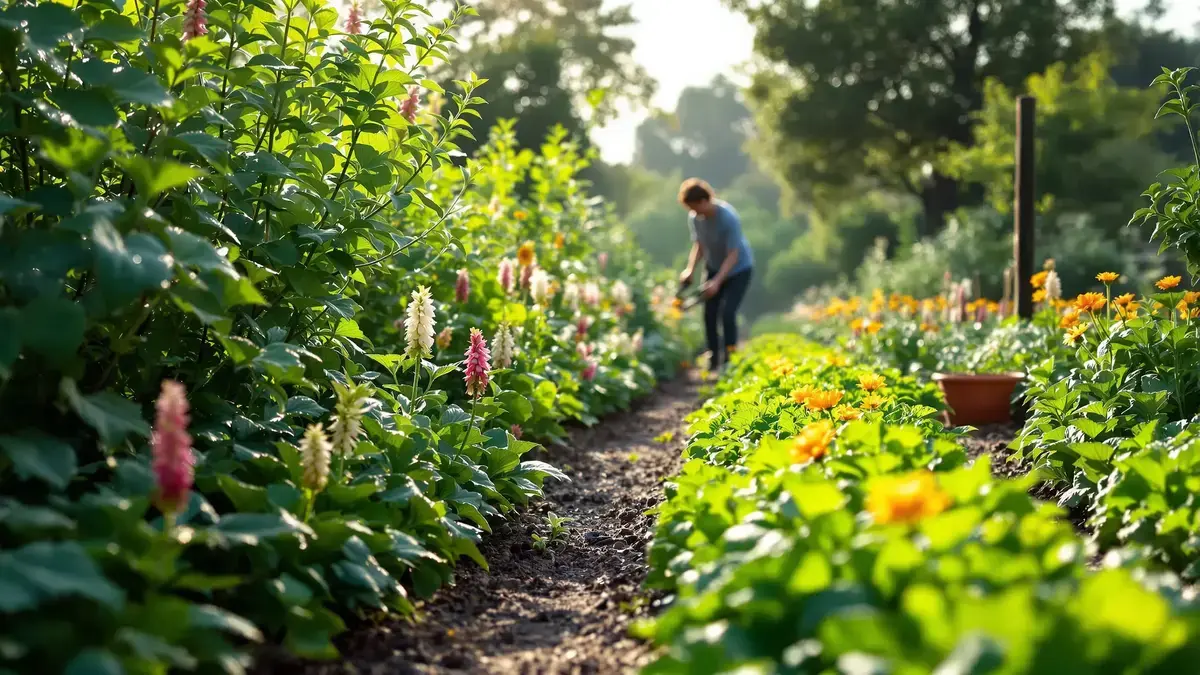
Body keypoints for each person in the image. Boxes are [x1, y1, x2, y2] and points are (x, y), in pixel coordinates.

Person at [677, 178, 754, 372]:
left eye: (695, 207)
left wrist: (717, 281)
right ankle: (714, 358)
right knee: (709, 314)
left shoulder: (728, 218)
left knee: (727, 313)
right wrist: (690, 270)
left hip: (738, 269)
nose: (694, 213)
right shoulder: (695, 218)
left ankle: (730, 358)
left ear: (705, 200)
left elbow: (733, 255)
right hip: (713, 266)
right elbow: (699, 246)